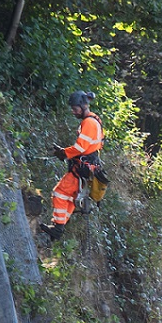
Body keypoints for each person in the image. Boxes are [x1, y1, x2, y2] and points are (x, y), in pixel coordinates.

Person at [40, 91, 105, 241]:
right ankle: (59, 226)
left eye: (75, 108)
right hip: (86, 167)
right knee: (68, 197)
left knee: (59, 193)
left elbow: (80, 147)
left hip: (82, 168)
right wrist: (65, 153)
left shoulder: (89, 123)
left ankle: (58, 227)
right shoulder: (94, 120)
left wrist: (64, 153)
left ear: (83, 106)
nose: (73, 111)